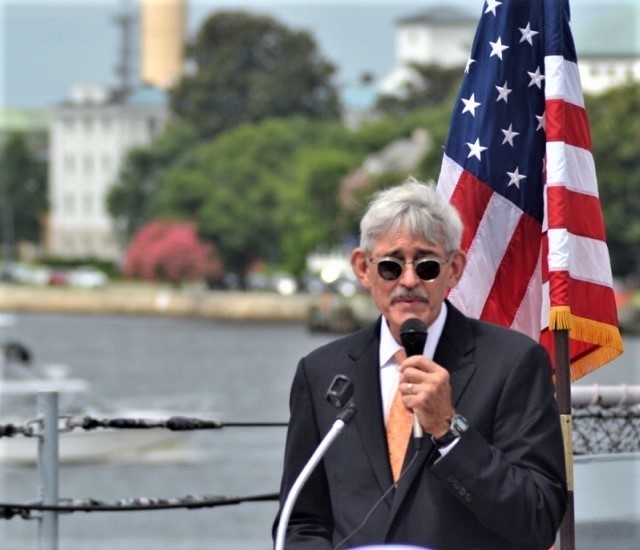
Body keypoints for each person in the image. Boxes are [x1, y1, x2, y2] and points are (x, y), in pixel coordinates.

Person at [273, 178, 567, 549]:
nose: (409, 280)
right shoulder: (320, 371)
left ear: (454, 269)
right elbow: (300, 523)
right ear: (363, 268)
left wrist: (449, 429)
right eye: (391, 266)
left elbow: (537, 519)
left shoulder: (514, 363)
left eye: (427, 266)